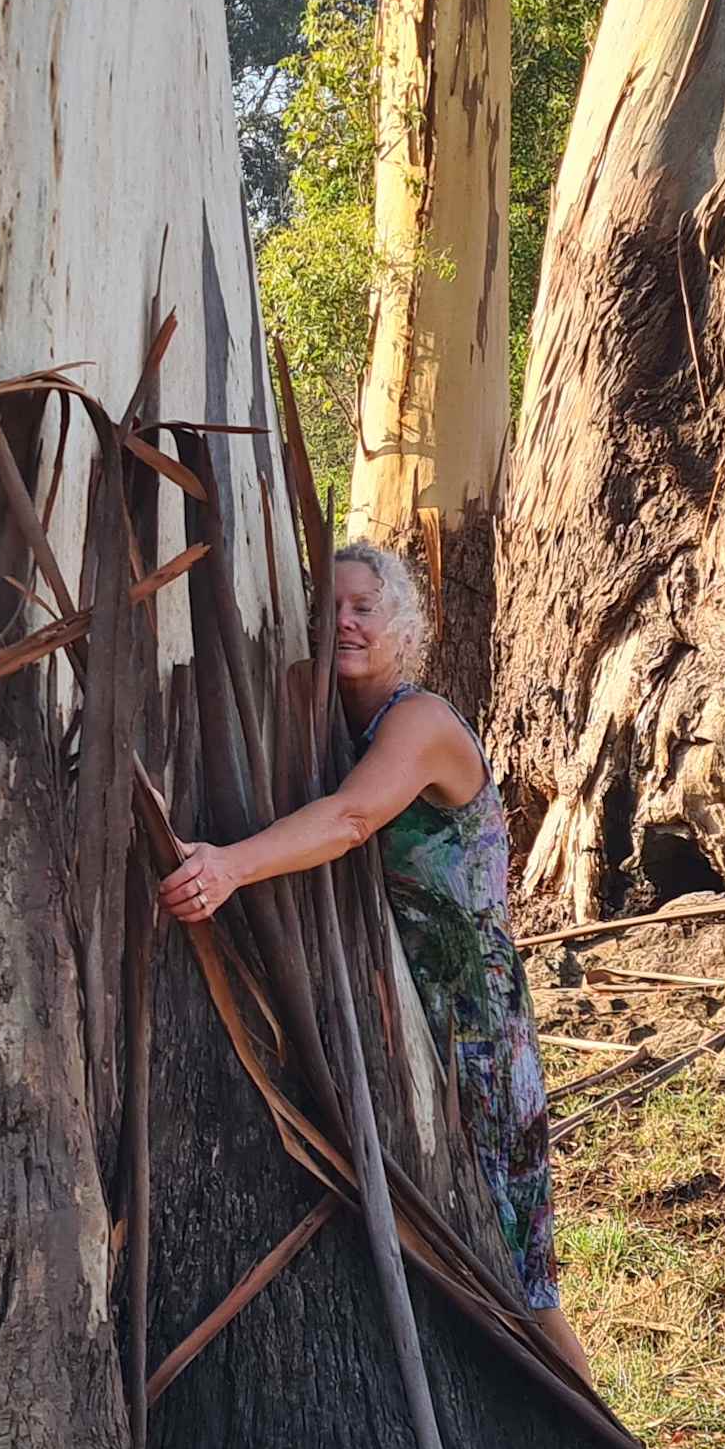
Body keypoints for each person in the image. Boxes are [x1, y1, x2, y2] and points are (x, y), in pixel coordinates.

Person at [157, 542, 584, 1379]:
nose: (345, 623)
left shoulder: (419, 723)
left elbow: (351, 819)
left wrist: (229, 866)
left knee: (516, 1260)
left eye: (365, 608)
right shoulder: (322, 714)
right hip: (394, 1022)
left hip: (473, 1021)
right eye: (331, 610)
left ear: (406, 627)